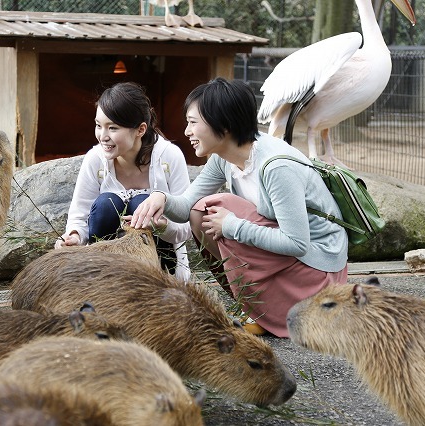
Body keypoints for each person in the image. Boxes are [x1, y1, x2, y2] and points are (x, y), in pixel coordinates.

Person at [130, 77, 348, 337]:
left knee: (218, 206)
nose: (187, 131)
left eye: (193, 122)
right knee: (200, 212)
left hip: (317, 271)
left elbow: (297, 242)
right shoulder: (225, 158)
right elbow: (186, 207)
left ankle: (269, 307)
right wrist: (160, 199)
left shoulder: (276, 167)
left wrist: (232, 226)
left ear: (223, 123)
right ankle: (256, 307)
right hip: (291, 261)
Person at [55, 81, 192, 281]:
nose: (103, 136)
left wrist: (162, 226)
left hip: (159, 269)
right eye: (98, 125)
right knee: (106, 204)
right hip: (108, 270)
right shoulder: (95, 159)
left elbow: (187, 226)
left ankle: (161, 285)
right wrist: (74, 236)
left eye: (113, 128)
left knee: (142, 204)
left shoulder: (170, 157)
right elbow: (79, 216)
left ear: (140, 129)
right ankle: (101, 281)